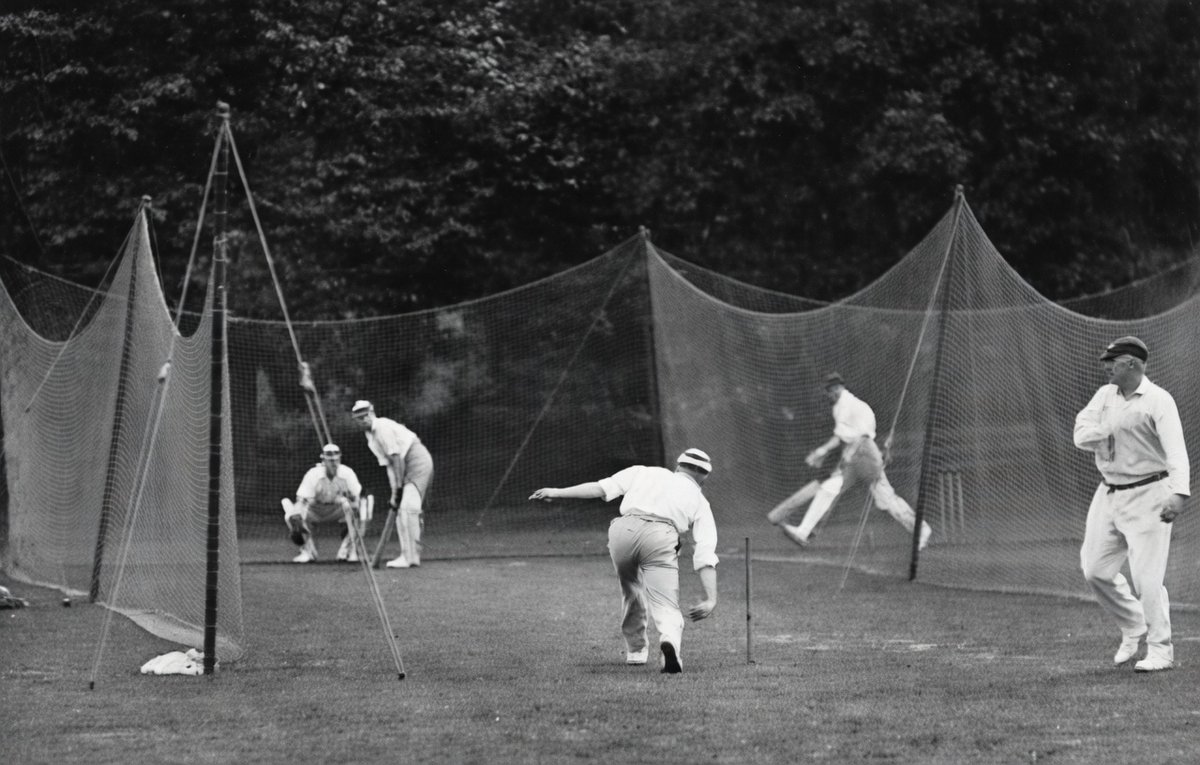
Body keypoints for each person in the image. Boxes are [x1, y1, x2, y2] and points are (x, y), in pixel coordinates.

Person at [528, 448, 719, 674]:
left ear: (678, 466)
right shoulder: (699, 499)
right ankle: (670, 642)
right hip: (660, 536)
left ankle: (636, 651)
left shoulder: (644, 471)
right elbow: (705, 553)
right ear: (703, 477)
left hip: (623, 532)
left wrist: (558, 492)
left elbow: (600, 488)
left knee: (631, 588)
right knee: (664, 600)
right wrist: (710, 598)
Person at [1074, 336, 1189, 673]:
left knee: (1147, 578)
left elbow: (1176, 452)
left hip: (1150, 493)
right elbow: (1080, 433)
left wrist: (1178, 495)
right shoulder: (1104, 395)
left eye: (1112, 360)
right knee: (1095, 569)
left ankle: (1160, 650)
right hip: (1108, 492)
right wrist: (1106, 429)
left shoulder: (1158, 400)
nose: (1105, 366)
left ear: (1133, 364)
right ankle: (1133, 623)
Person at [769, 372, 931, 550]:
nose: (828, 395)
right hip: (860, 454)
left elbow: (861, 437)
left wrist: (828, 453)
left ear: (837, 388)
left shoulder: (846, 405)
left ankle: (921, 529)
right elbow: (843, 437)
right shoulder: (844, 405)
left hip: (864, 455)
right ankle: (803, 531)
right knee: (830, 489)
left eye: (829, 391)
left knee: (885, 500)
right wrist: (823, 452)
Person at [351, 400, 434, 569]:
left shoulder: (381, 427)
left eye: (366, 415)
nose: (363, 419)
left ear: (372, 413)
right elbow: (389, 464)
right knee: (401, 511)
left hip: (417, 461)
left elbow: (397, 457)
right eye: (359, 418)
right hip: (405, 465)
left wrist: (399, 488)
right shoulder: (371, 438)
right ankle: (408, 556)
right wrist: (394, 492)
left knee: (408, 509)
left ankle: (411, 557)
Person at [282, 443, 363, 563]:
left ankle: (347, 551)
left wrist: (354, 508)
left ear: (340, 458)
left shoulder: (348, 473)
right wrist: (296, 519)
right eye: (330, 460)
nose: (333, 463)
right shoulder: (313, 474)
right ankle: (307, 552)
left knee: (360, 510)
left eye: (336, 460)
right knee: (291, 516)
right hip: (314, 509)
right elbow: (302, 500)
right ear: (323, 460)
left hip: (337, 509)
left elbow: (356, 499)